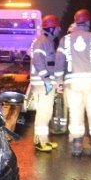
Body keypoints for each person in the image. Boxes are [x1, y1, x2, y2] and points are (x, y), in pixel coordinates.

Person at [54, 9, 91, 157]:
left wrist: (59, 81)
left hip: (72, 83)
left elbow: (59, 62)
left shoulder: (65, 40)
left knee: (75, 112)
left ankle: (77, 145)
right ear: (88, 22)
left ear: (75, 21)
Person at [29, 14, 61, 152]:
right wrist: (47, 79)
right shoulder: (43, 41)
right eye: (58, 28)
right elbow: (38, 59)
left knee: (45, 112)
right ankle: (40, 141)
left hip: (42, 82)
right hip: (43, 83)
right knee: (44, 112)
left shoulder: (43, 40)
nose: (60, 30)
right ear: (52, 28)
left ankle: (43, 139)